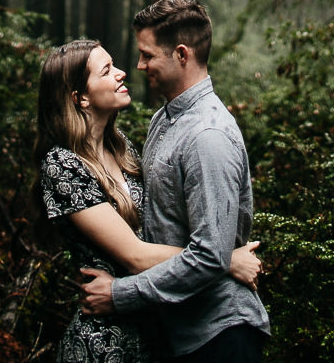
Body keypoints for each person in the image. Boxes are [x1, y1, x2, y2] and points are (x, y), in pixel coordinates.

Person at [32, 37, 262, 363]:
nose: (123, 73)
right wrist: (224, 259)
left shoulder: (120, 146)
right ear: (80, 97)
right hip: (105, 340)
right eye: (107, 71)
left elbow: (158, 229)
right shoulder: (62, 164)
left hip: (154, 329)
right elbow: (136, 255)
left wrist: (214, 251)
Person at [80, 0, 271, 362]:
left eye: (148, 55)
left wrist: (120, 295)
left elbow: (208, 258)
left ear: (181, 55)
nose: (139, 65)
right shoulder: (163, 121)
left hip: (220, 336)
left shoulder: (207, 136)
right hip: (178, 335)